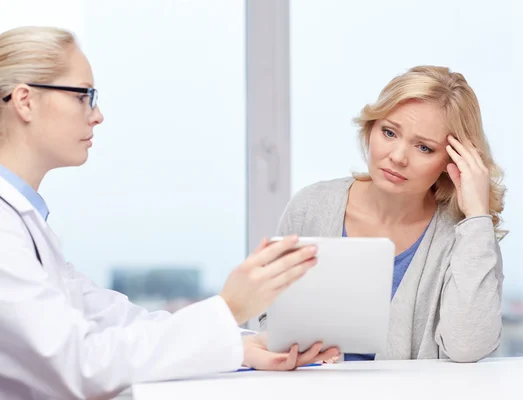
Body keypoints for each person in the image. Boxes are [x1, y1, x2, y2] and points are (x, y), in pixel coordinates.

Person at [0, 26, 339, 400]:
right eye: (85, 96)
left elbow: (115, 319)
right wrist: (230, 306)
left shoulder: (24, 222)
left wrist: (245, 344)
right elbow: (79, 365)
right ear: (25, 101)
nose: (97, 116)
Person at [260, 65, 506, 363]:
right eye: (389, 132)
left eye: (424, 148)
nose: (398, 157)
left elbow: (468, 347)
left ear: (453, 162)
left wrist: (477, 215)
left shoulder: (467, 235)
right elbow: (269, 321)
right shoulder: (311, 207)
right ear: (371, 128)